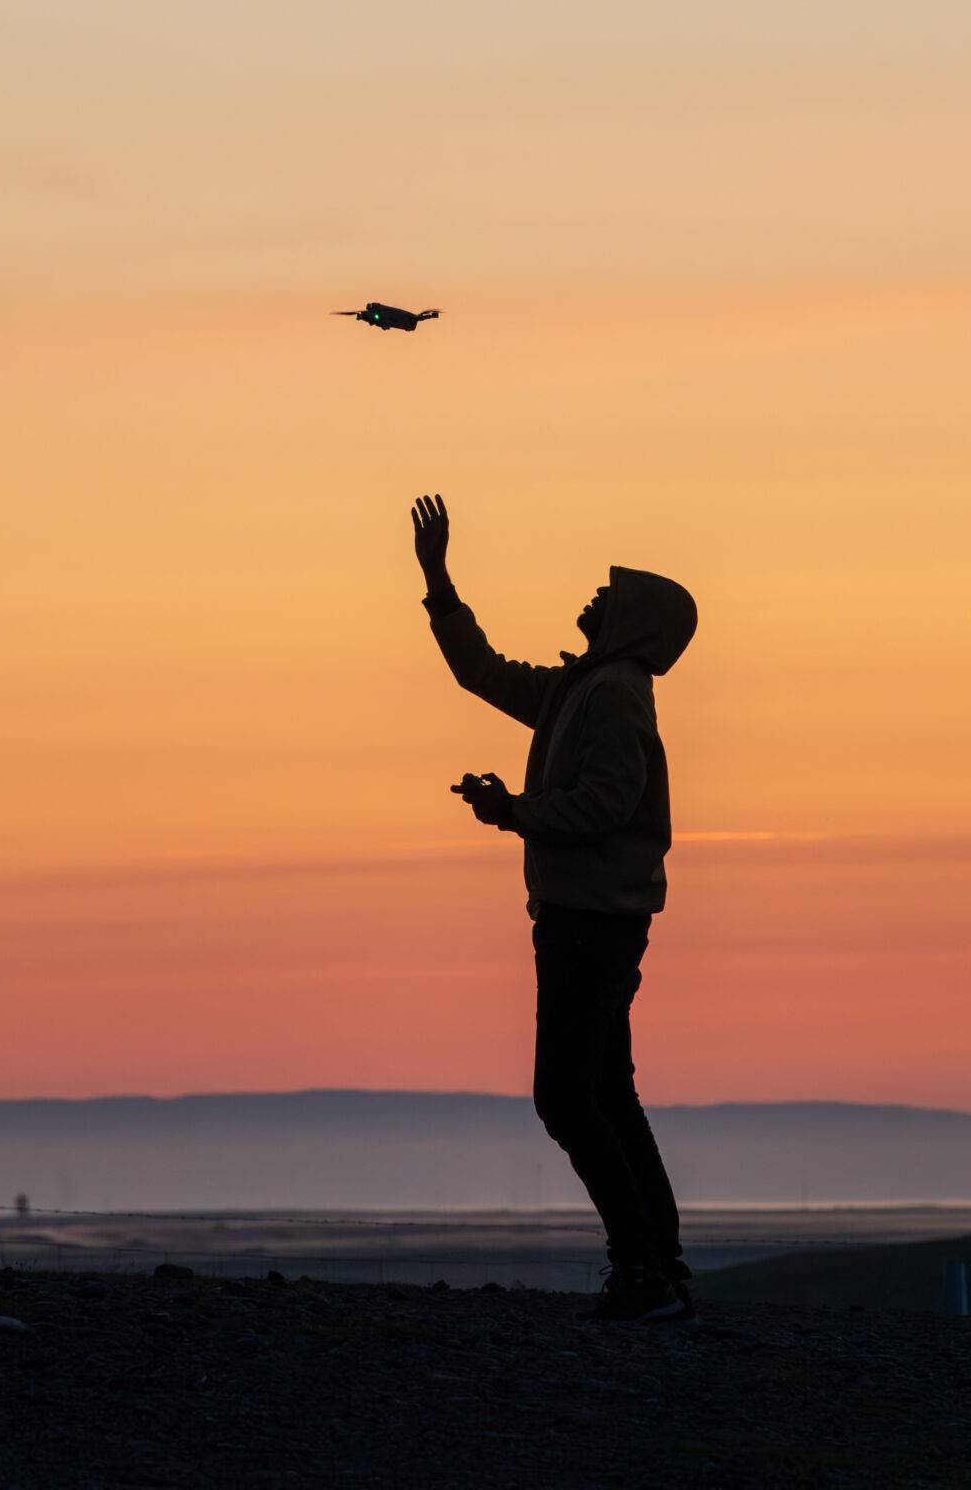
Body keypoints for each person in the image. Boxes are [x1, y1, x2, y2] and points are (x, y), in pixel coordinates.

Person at [411, 491, 699, 1324]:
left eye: (608, 596)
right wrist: (438, 583)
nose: (591, 599)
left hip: (593, 922)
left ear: (632, 622)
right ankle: (659, 1267)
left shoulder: (611, 693)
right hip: (594, 918)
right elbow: (483, 673)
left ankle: (642, 1271)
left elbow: (605, 804)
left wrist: (514, 812)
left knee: (567, 1098)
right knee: (605, 1092)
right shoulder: (585, 687)